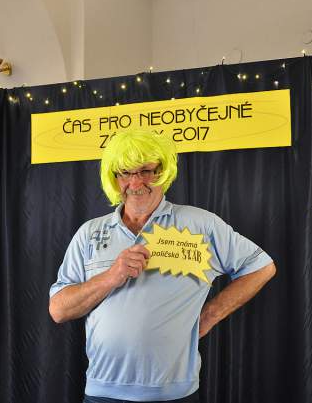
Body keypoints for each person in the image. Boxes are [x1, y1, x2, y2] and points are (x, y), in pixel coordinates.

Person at [49, 129, 276, 403]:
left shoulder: (200, 224)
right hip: (102, 393)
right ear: (114, 177)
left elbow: (261, 266)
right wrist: (111, 276)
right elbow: (59, 310)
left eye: (146, 171)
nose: (135, 182)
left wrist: (210, 315)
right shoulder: (90, 233)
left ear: (163, 172)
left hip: (174, 394)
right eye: (125, 172)